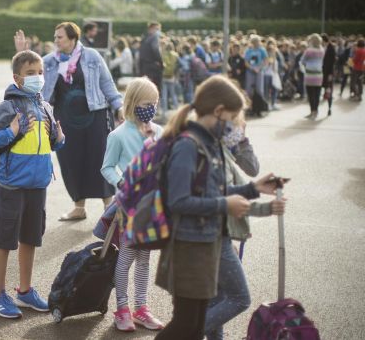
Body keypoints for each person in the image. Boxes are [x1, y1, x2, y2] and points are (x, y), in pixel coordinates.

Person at [155, 75, 278, 340]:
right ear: (219, 111)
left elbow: (212, 192)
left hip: (205, 242)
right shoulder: (187, 146)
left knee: (195, 325)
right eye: (232, 119)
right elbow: (178, 201)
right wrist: (225, 204)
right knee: (188, 325)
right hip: (189, 248)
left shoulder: (208, 143)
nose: (233, 127)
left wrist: (253, 188)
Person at [0, 50, 65, 319]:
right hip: (12, 185)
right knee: (5, 240)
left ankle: (25, 291)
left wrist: (60, 139)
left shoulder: (45, 107)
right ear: (17, 79)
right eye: (31, 73)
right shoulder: (7, 108)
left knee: (30, 238)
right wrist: (11, 131)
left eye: (40, 72)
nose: (38, 77)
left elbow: (50, 143)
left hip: (38, 184)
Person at [17, 22, 123, 221]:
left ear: (73, 38)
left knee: (99, 159)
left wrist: (119, 106)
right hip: (64, 120)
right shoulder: (48, 61)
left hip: (95, 116)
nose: (55, 40)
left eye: (60, 37)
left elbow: (107, 83)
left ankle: (109, 208)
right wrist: (23, 53)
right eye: (55, 37)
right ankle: (79, 207)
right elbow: (28, 76)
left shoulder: (92, 56)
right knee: (71, 162)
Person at [204, 113, 286, 340]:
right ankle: (184, 332)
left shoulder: (226, 153)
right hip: (215, 238)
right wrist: (263, 205)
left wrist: (242, 140)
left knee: (216, 300)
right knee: (240, 298)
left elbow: (251, 169)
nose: (243, 129)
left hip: (220, 235)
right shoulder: (211, 154)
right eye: (238, 125)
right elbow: (225, 199)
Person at [100, 78, 164, 332]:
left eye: (155, 103)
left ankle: (141, 308)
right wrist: (122, 184)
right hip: (129, 207)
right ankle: (122, 308)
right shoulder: (118, 135)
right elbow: (106, 167)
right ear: (133, 103)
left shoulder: (158, 132)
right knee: (126, 258)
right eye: (147, 103)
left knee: (145, 259)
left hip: (153, 208)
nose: (152, 107)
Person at [300, 34, 326, 119]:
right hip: (319, 75)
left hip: (310, 75)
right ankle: (316, 111)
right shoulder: (322, 50)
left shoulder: (309, 51)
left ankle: (312, 112)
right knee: (317, 94)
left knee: (311, 95)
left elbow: (302, 61)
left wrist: (307, 64)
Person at [139, 22, 164, 89]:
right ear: (151, 28)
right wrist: (161, 62)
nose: (158, 31)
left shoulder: (144, 38)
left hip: (145, 67)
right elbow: (155, 49)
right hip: (153, 67)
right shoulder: (154, 37)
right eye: (157, 29)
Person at [244, 34, 268, 100]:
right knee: (248, 89)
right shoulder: (248, 50)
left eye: (257, 41)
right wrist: (252, 68)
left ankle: (260, 105)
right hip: (250, 71)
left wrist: (259, 68)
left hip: (259, 71)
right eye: (254, 42)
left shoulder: (262, 50)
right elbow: (246, 62)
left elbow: (266, 61)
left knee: (259, 89)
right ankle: (249, 105)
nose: (256, 43)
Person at [160, 41, 180, 116]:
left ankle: (164, 112)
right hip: (172, 76)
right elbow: (178, 67)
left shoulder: (163, 55)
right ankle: (177, 110)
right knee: (173, 94)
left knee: (164, 95)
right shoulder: (176, 55)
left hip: (164, 76)